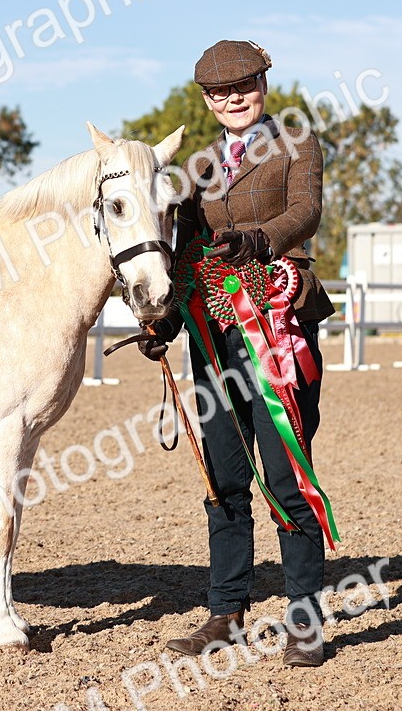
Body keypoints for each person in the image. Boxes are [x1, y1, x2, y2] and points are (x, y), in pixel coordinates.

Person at [140, 40, 337, 667]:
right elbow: (187, 255)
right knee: (223, 478)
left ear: (263, 85)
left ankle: (305, 620)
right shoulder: (197, 167)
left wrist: (259, 240)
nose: (233, 99)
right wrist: (167, 322)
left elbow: (306, 211)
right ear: (206, 101)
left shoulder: (297, 143)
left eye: (243, 87)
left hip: (279, 324)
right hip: (216, 332)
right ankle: (225, 613)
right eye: (220, 93)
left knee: (285, 475)